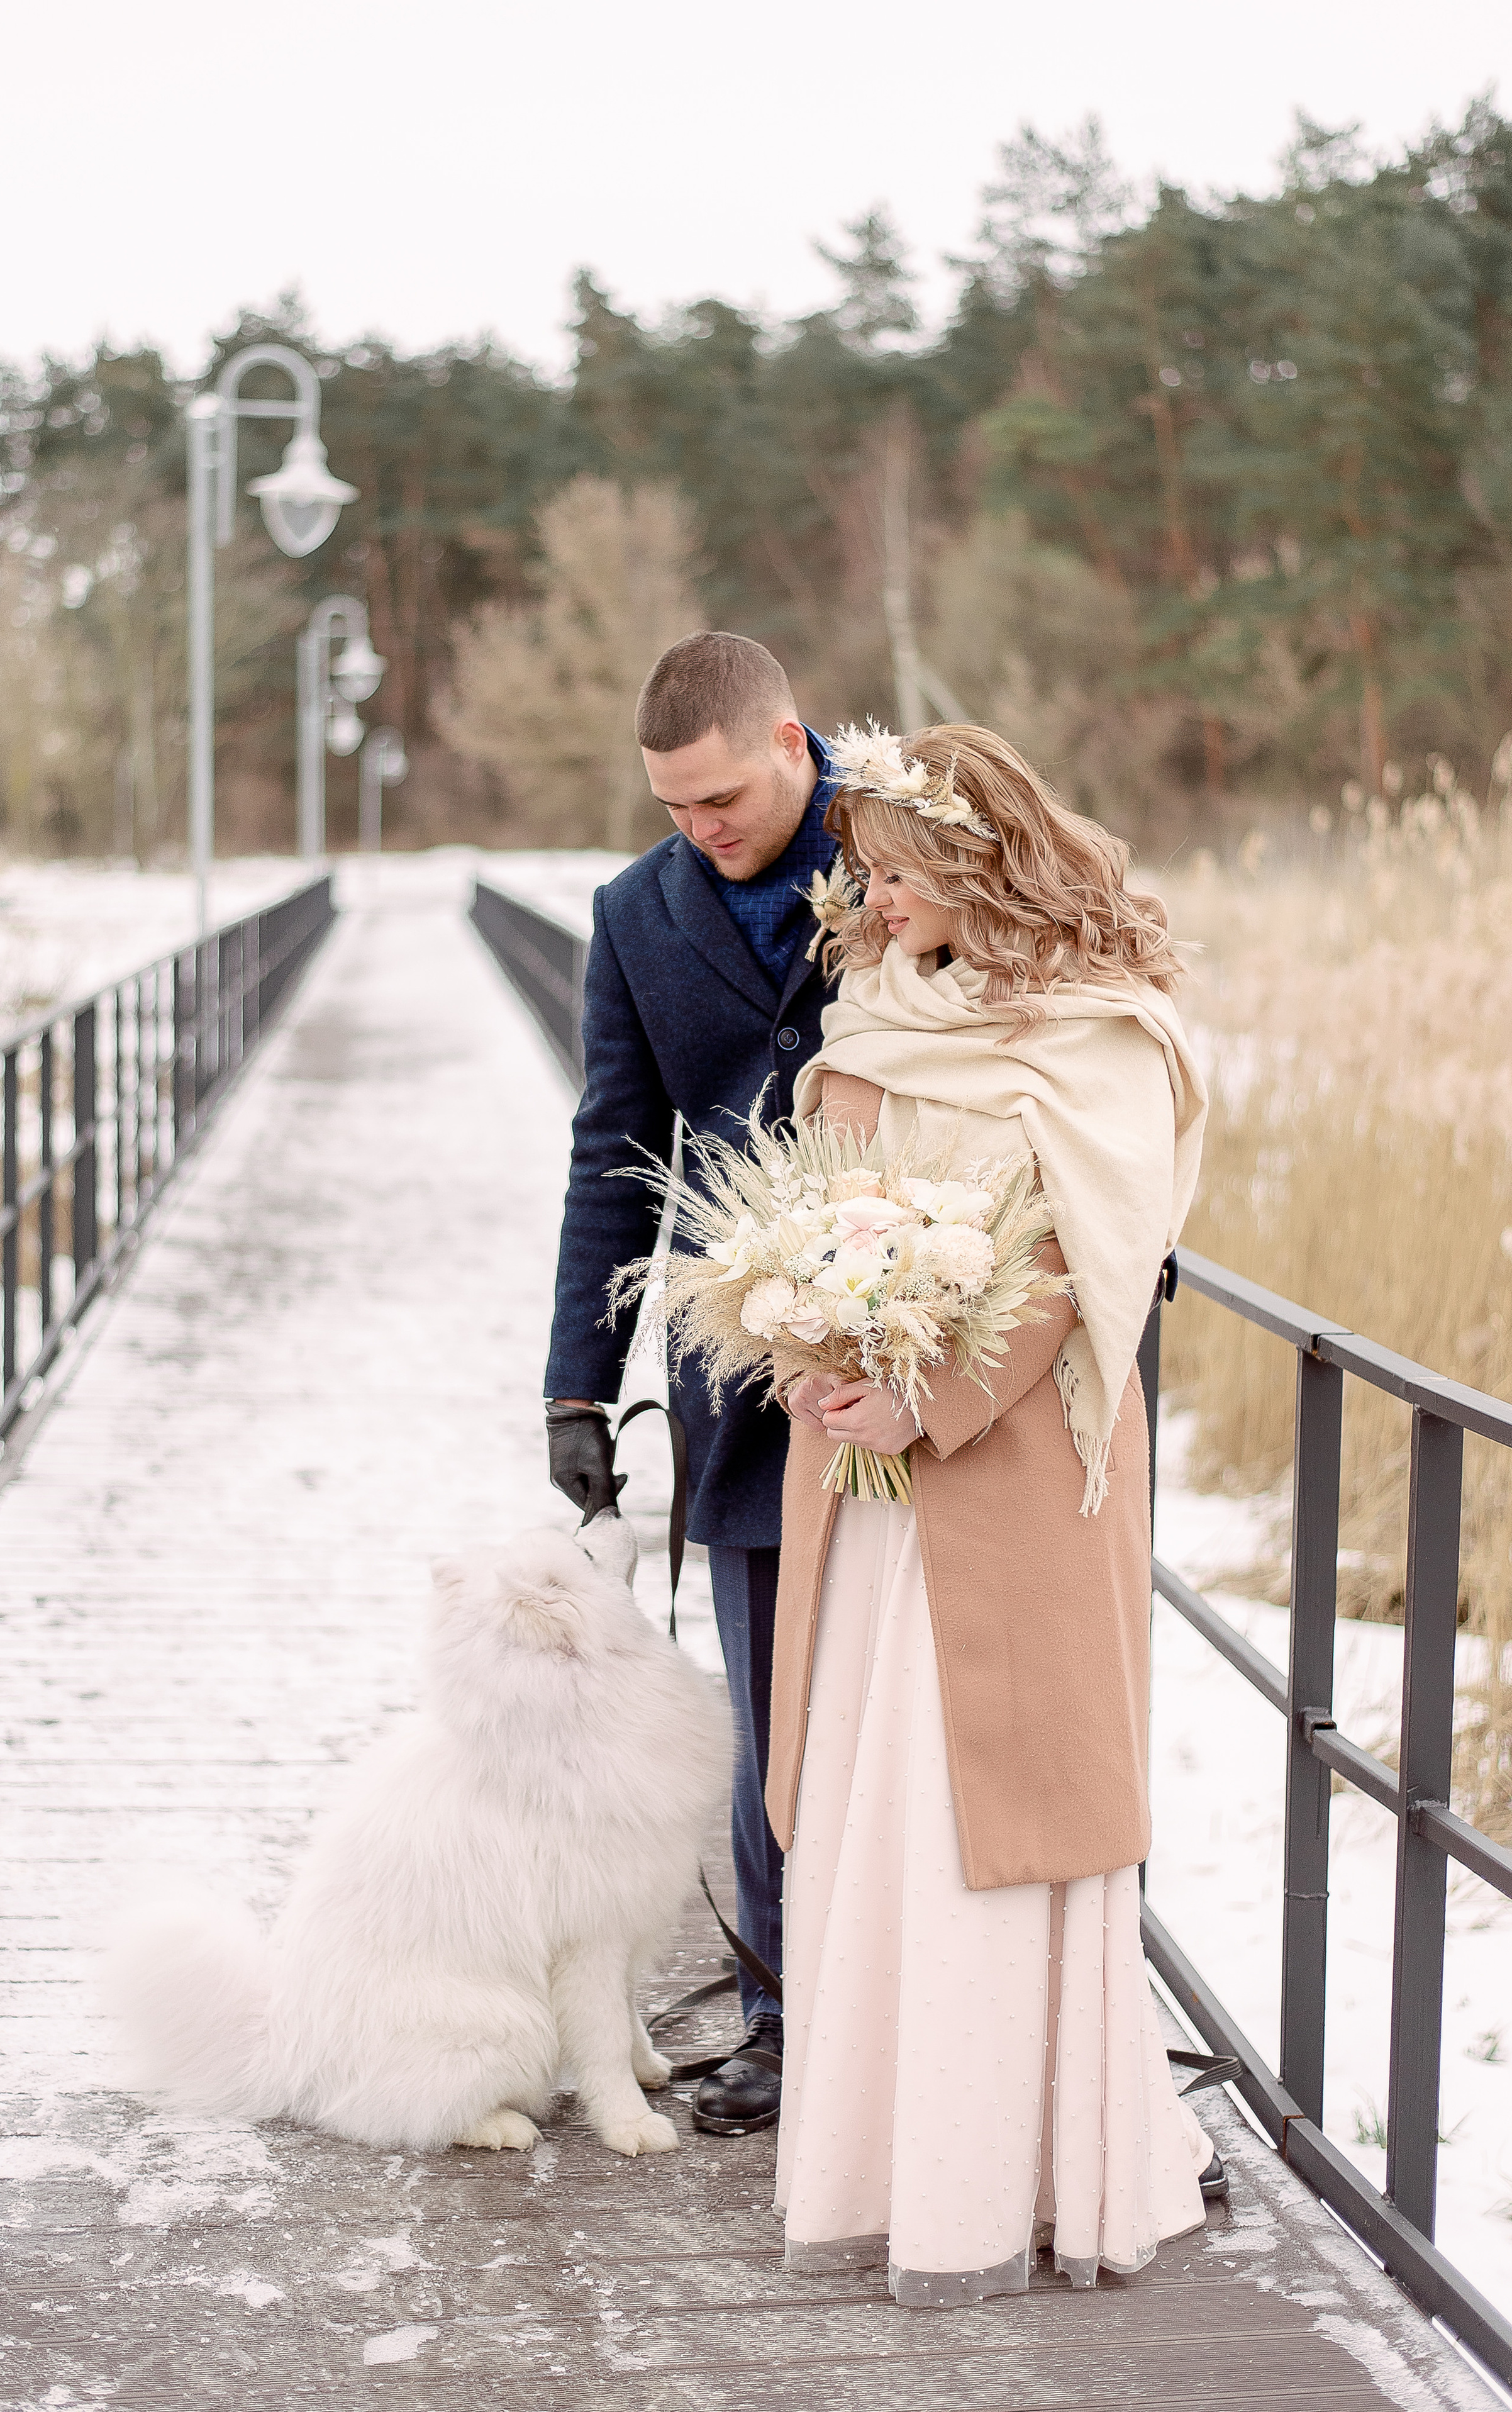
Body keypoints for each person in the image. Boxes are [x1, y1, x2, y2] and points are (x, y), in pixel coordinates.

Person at [767, 721, 1221, 2304]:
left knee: (995, 1815)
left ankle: (1009, 2182)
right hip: (861, 1485)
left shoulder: (1101, 1033)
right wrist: (803, 1337)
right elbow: (809, 1213)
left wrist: (933, 1398)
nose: (874, 902)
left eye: (898, 873)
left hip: (1016, 1474)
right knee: (873, 1793)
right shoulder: (874, 1012)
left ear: (977, 859)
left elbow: (1080, 1260)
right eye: (864, 874)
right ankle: (878, 2170)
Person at [545, 630, 838, 2135]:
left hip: (939, 1357)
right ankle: (783, 2016)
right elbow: (614, 1150)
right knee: (773, 1711)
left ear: (792, 740)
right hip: (742, 1378)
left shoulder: (918, 849)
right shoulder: (632, 913)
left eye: (721, 799)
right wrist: (574, 1392)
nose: (700, 830)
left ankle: (938, 2014)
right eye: (672, 809)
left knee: (926, 1706)